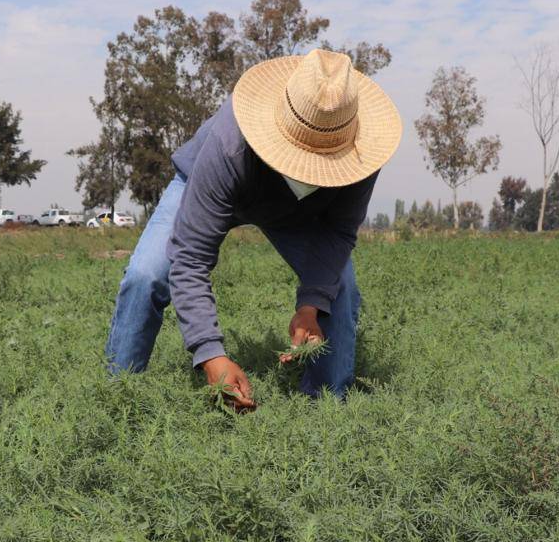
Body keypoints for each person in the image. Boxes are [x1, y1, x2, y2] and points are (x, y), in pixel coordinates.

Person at [104, 48, 402, 409]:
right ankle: (119, 399)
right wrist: (211, 355)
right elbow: (191, 256)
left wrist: (310, 307)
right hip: (208, 182)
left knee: (342, 289)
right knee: (145, 275)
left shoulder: (360, 154)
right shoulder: (230, 143)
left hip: (297, 213)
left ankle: (325, 412)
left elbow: (338, 233)